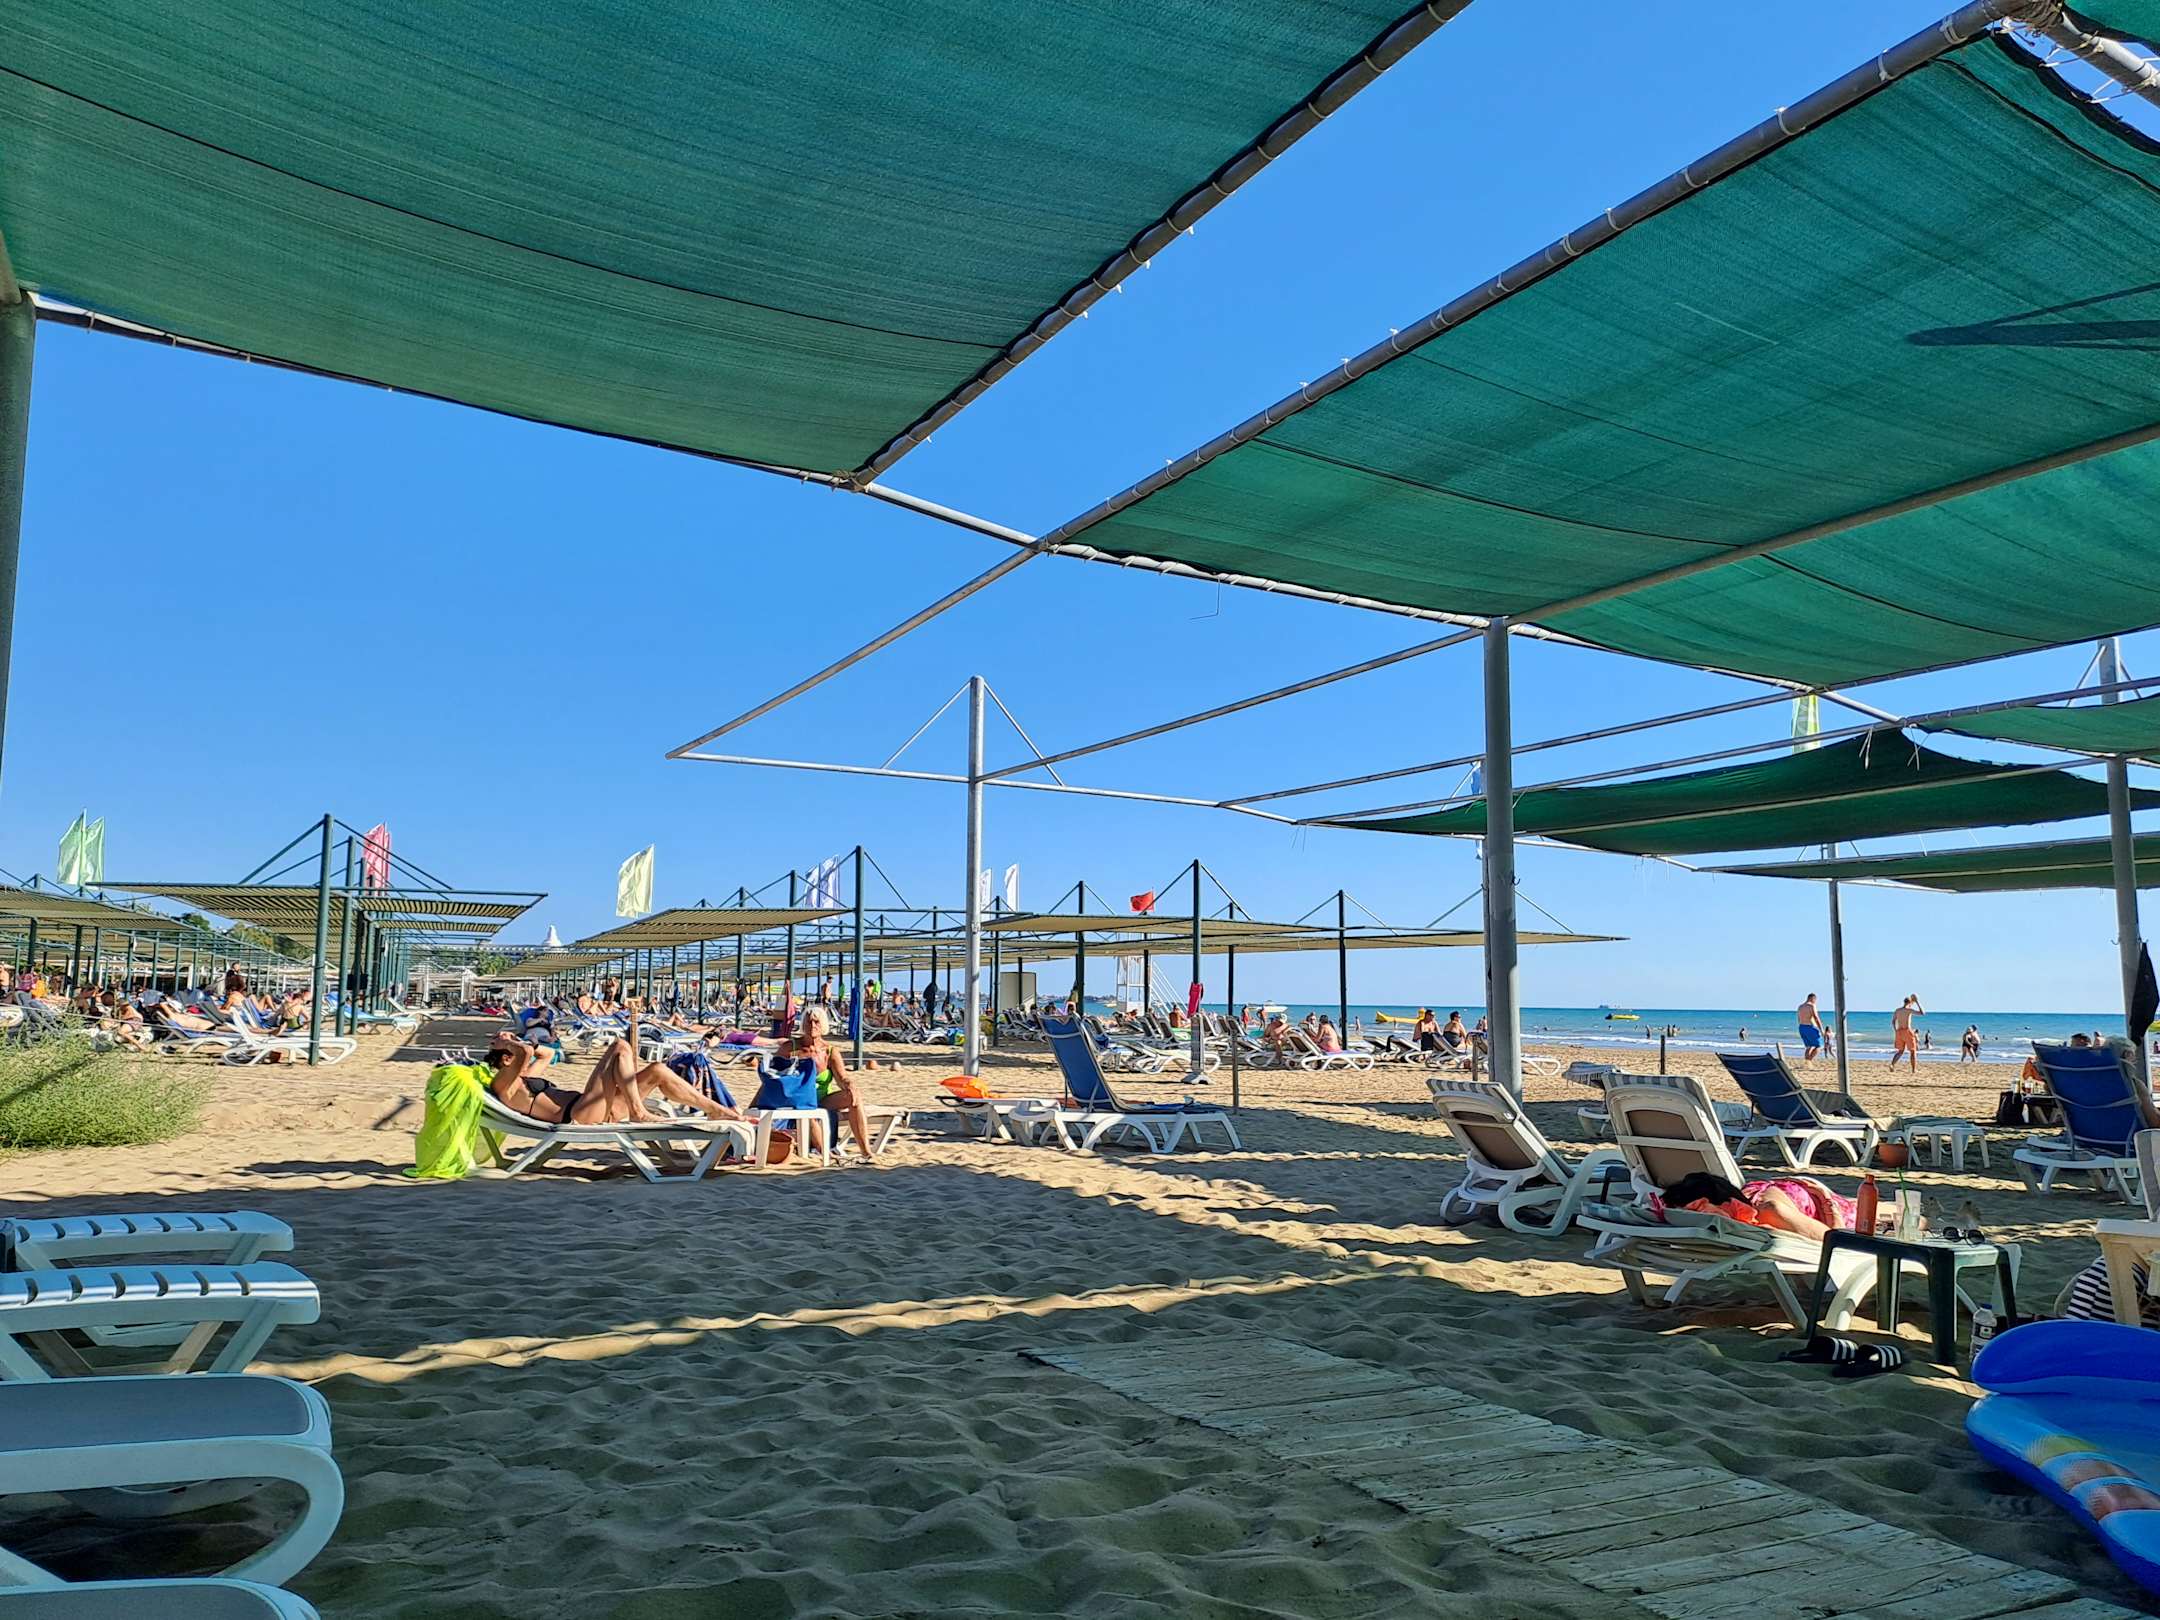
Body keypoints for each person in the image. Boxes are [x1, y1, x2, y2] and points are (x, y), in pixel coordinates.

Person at [483, 1002, 740, 1126]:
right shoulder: (504, 1083)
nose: (511, 1039)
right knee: (619, 1046)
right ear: (506, 1058)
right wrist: (505, 1042)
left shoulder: (524, 1077)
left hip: (598, 1106)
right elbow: (526, 1051)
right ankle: (638, 1112)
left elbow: (546, 1055)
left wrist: (515, 1042)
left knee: (657, 1070)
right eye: (507, 1043)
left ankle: (716, 1109)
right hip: (579, 1114)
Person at [768, 1004, 881, 1164]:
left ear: (823, 1025)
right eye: (808, 1022)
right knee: (808, 1111)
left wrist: (849, 1084)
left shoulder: (829, 1051)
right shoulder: (790, 1048)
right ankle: (826, 1154)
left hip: (822, 1099)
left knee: (854, 1097)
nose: (812, 1025)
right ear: (803, 1024)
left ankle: (866, 1152)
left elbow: (842, 1077)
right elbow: (771, 1074)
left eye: (816, 1022)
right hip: (797, 1100)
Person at [1890, 994, 1925, 1072]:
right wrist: (1917, 1002)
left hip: (1899, 1031)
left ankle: (1892, 1064)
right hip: (1907, 1031)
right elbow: (1922, 1013)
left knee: (1900, 1051)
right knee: (1913, 1051)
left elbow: (1893, 1021)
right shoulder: (1909, 1010)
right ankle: (1913, 1070)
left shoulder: (1897, 1010)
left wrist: (1896, 1030)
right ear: (1909, 1003)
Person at [1796, 993, 1825, 1063]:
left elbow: (1799, 1019)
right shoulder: (1812, 1006)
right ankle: (1809, 1061)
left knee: (1808, 1047)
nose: (1815, 1002)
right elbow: (1816, 1018)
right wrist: (1821, 1029)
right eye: (1815, 1000)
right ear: (1813, 998)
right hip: (1810, 1027)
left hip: (1802, 1027)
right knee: (1819, 1046)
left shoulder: (1800, 1006)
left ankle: (1806, 1063)